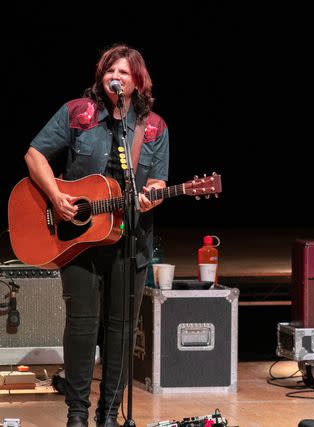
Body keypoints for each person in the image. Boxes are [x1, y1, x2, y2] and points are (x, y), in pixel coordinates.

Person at [24, 44, 169, 427]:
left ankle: (109, 414)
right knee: (82, 325)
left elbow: (157, 181)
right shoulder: (78, 113)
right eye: (109, 71)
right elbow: (35, 154)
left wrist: (152, 197)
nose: (114, 77)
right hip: (78, 240)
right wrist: (56, 197)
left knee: (121, 330)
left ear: (137, 81)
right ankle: (77, 413)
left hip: (130, 242)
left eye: (122, 72)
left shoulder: (153, 127)